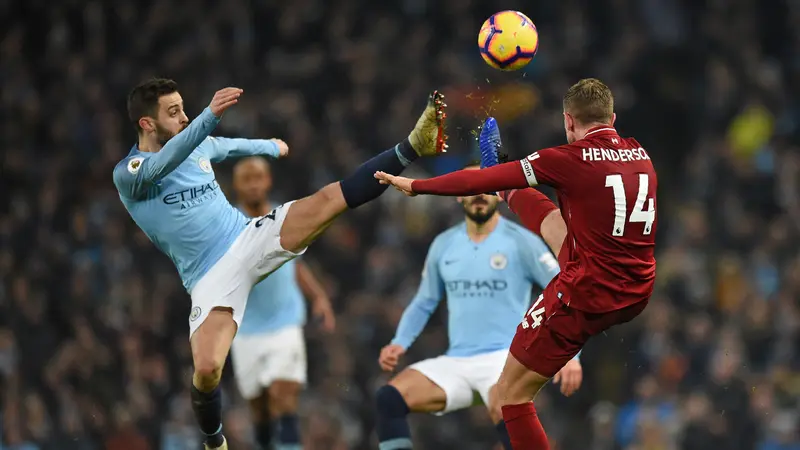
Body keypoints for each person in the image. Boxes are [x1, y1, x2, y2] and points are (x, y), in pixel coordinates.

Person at [112, 78, 447, 450]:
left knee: (326, 200)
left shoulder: (196, 145)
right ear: (146, 123)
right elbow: (168, 159)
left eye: (185, 109)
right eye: (173, 112)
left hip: (247, 237)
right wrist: (209, 116)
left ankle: (413, 145)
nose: (185, 117)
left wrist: (269, 146)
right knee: (207, 371)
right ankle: (213, 440)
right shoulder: (129, 173)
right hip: (209, 276)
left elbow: (229, 147)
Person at [375, 78, 657, 450]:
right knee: (559, 226)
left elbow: (483, 178)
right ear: (613, 118)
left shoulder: (567, 159)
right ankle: (509, 192)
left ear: (568, 121)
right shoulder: (640, 153)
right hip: (637, 288)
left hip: (588, 293)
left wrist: (418, 187)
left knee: (508, 395)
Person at [374, 161, 583, 450]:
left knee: (506, 409)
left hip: (505, 358)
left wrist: (572, 356)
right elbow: (425, 300)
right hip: (458, 361)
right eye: (472, 189)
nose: (479, 194)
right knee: (389, 398)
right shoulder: (443, 245)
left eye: (486, 188)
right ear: (459, 194)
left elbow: (571, 289)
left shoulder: (522, 242)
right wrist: (400, 342)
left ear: (499, 194)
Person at [230, 157, 335, 450]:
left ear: (268, 181)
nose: (253, 184)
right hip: (246, 328)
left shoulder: (285, 216)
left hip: (285, 323)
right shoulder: (228, 226)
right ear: (236, 185)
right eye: (246, 179)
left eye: (258, 177)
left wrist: (318, 297)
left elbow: (296, 263)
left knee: (283, 397)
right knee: (260, 408)